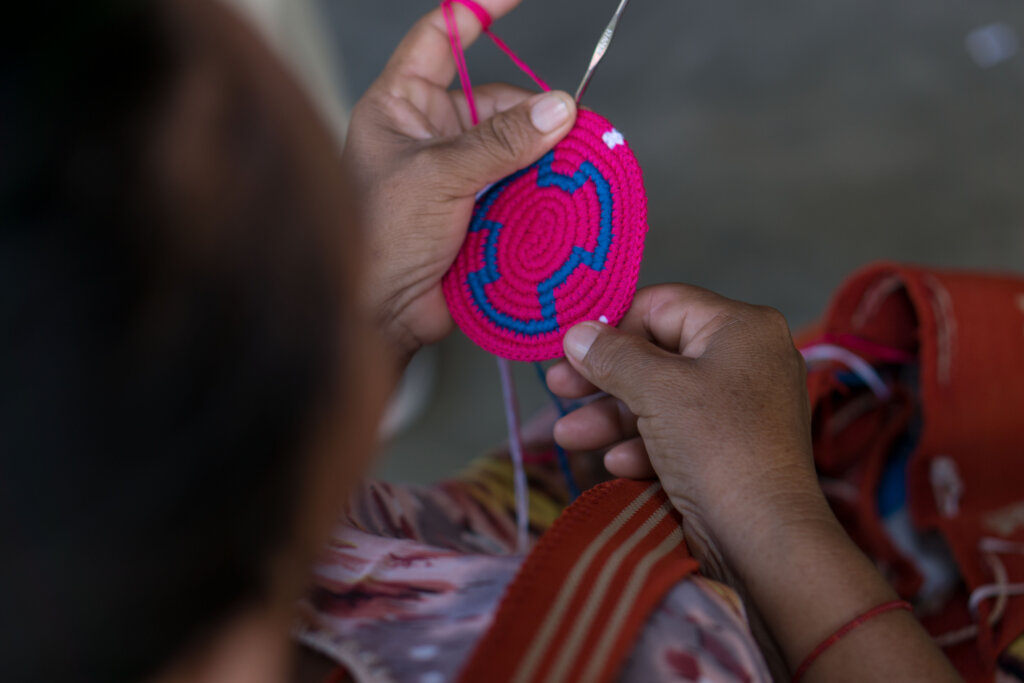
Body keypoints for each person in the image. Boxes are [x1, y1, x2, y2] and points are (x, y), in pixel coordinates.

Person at [0, 0, 966, 681]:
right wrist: (774, 524)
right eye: (317, 218)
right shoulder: (642, 656)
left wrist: (362, 326)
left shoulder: (124, 571)